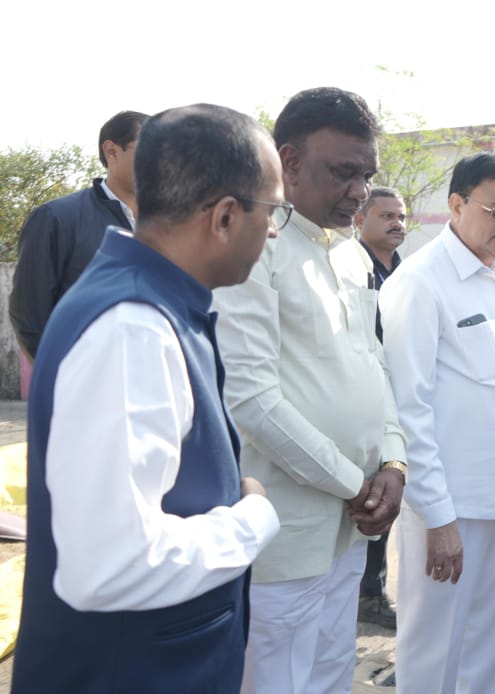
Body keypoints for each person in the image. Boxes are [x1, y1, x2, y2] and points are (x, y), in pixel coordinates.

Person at [11, 104, 282, 693]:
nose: (274, 229)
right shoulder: (134, 327)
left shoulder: (154, 304)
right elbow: (110, 565)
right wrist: (252, 521)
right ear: (225, 217)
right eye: (273, 210)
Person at [213, 88, 407, 694]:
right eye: (343, 173)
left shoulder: (351, 253)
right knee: (275, 678)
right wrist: (356, 484)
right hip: (287, 527)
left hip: (352, 526)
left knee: (329, 673)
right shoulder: (256, 247)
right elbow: (251, 400)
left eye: (366, 175)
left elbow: (374, 365)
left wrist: (394, 462)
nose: (359, 191)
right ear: (289, 163)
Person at [379, 151, 495, 693]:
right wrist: (438, 517)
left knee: (490, 643)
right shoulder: (421, 282)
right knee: (435, 647)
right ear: (457, 205)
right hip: (453, 506)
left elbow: (485, 379)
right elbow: (408, 407)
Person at [10, 110, 149, 360]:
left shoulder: (170, 225)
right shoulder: (56, 218)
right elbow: (29, 316)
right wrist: (60, 374)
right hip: (83, 376)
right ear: (112, 151)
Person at [353, 186, 408, 629]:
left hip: (403, 399)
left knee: (391, 494)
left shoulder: (407, 274)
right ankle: (367, 593)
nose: (397, 223)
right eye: (386, 215)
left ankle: (373, 588)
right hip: (367, 398)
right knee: (371, 495)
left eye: (401, 216)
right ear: (360, 220)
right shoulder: (351, 268)